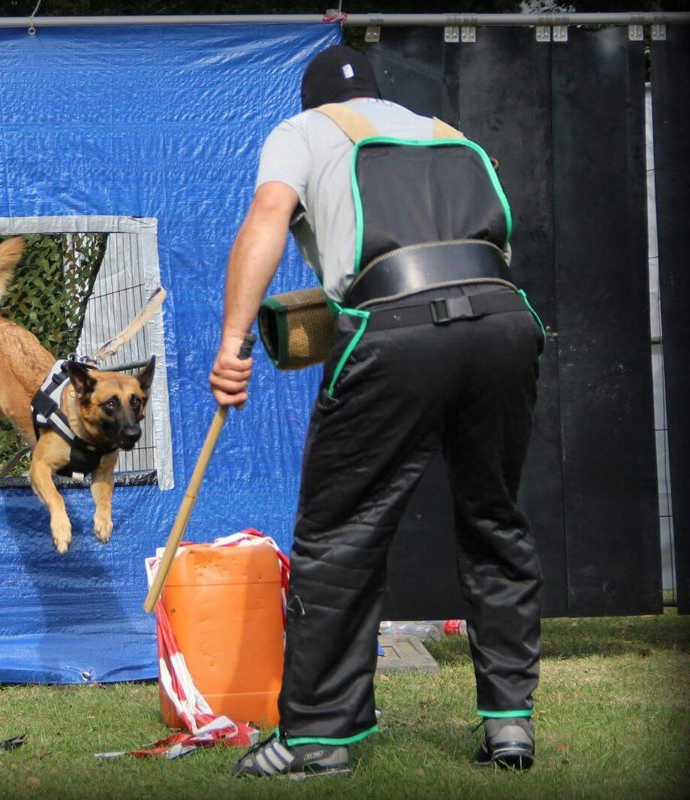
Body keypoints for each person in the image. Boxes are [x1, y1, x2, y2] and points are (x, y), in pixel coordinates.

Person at [210, 45, 546, 779]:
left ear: (314, 103)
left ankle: (317, 738)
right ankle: (509, 726)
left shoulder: (303, 131)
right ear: (381, 98)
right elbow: (486, 255)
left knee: (341, 533)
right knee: (495, 519)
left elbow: (269, 217)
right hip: (505, 322)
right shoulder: (449, 135)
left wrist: (234, 344)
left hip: (393, 331)